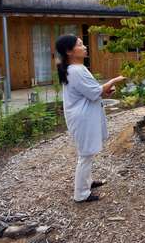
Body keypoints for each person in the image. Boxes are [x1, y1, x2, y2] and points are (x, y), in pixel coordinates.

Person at [55, 34, 125, 203]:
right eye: (80, 44)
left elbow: (90, 91)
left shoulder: (75, 68)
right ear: (69, 52)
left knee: (87, 153)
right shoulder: (76, 70)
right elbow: (95, 92)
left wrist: (104, 90)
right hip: (82, 118)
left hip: (82, 115)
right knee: (86, 154)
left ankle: (87, 182)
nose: (85, 46)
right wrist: (115, 80)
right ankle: (81, 194)